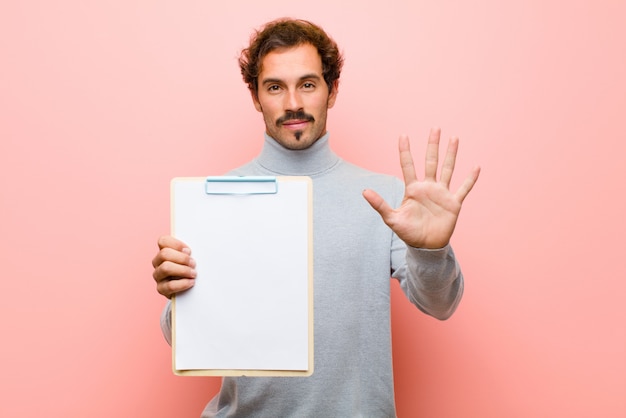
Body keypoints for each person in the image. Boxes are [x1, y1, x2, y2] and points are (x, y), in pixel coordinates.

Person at [152, 17, 480, 418]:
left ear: (332, 90)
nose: (293, 103)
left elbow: (441, 304)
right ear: (256, 97)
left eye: (307, 84)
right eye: (275, 87)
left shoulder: (388, 199)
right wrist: (178, 296)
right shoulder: (215, 198)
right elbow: (183, 341)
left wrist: (431, 250)